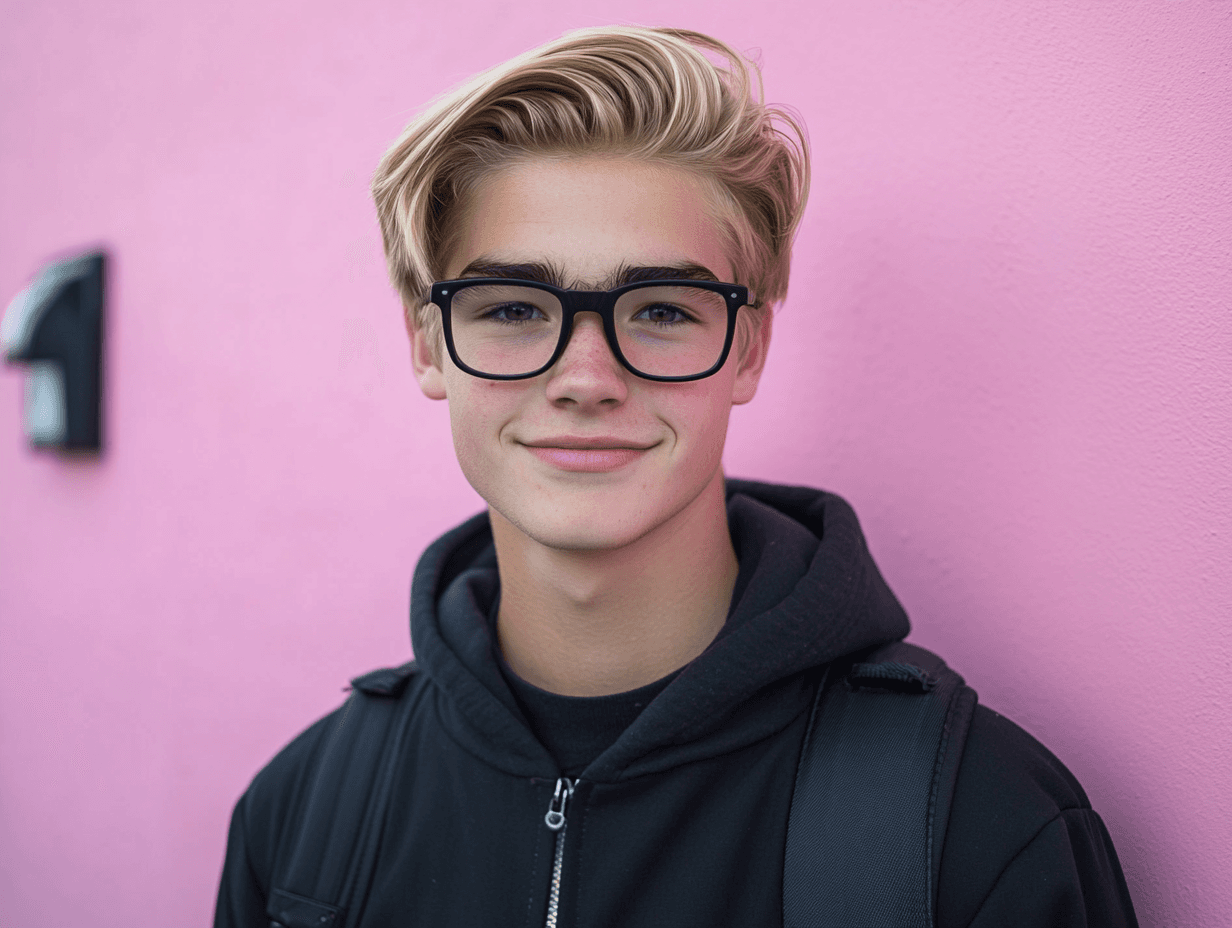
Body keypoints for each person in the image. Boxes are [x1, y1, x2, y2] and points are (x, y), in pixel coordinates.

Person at [214, 26, 1138, 928]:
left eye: (659, 309)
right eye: (511, 308)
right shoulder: (301, 819)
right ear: (428, 343)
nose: (585, 380)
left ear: (748, 346)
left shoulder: (978, 827)